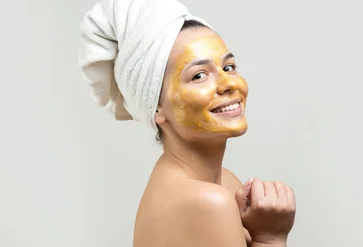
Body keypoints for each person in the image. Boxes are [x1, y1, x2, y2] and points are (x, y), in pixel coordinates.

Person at [78, 0, 296, 246]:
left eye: (228, 66)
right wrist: (270, 237)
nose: (229, 84)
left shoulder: (224, 182)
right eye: (199, 75)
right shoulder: (207, 202)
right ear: (156, 106)